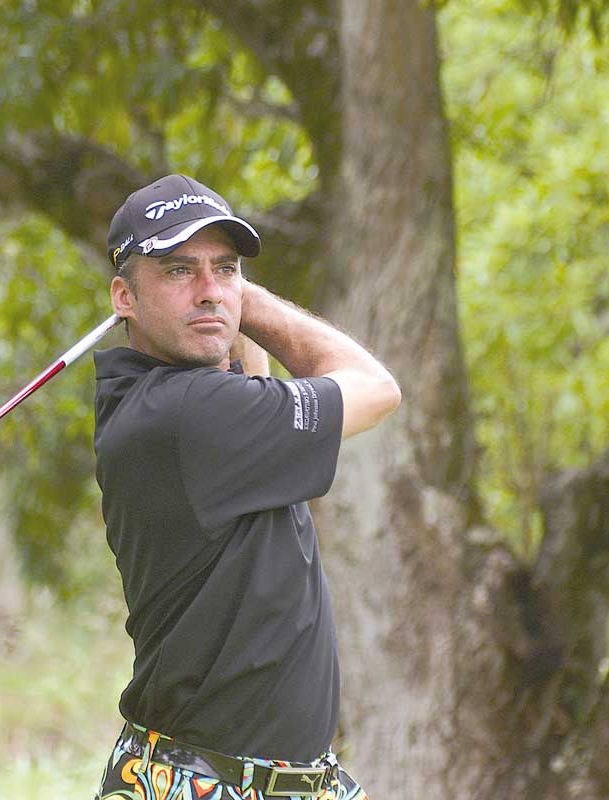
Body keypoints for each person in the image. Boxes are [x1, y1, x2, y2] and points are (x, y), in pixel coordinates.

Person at [92, 174, 400, 800]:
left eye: (226, 268)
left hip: (278, 780)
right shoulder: (189, 415)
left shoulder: (156, 399)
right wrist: (244, 301)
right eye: (179, 271)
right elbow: (376, 387)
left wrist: (218, 306)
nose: (208, 289)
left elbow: (250, 380)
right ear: (125, 296)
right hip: (206, 783)